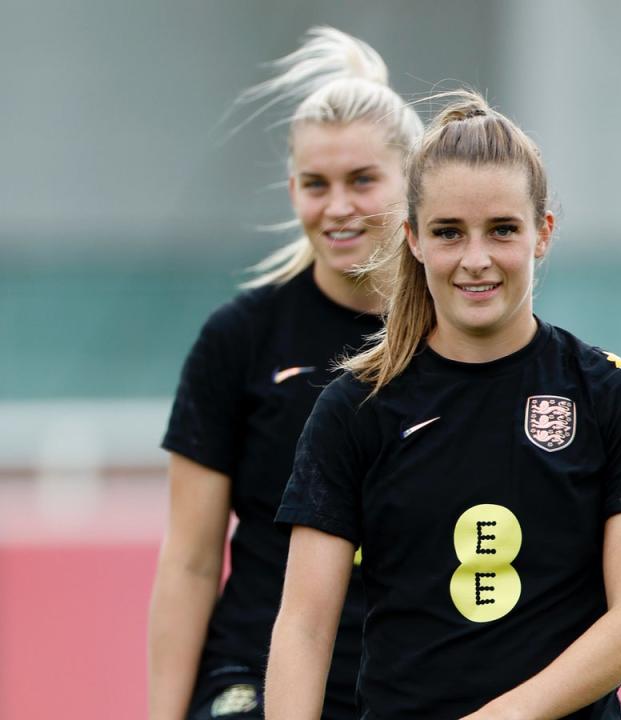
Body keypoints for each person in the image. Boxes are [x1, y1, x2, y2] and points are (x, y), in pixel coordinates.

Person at [266, 91, 621, 719]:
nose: (476, 259)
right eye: (449, 233)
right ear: (412, 239)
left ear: (543, 233)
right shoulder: (355, 409)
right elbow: (303, 627)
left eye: (503, 230)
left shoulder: (617, 398)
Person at [147, 27, 423, 720]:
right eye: (315, 184)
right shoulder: (239, 338)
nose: (337, 208)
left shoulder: (463, 336)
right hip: (256, 674)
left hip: (412, 679)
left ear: (415, 182)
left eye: (363, 180)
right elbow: (189, 561)